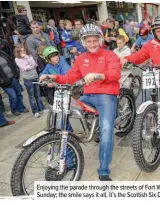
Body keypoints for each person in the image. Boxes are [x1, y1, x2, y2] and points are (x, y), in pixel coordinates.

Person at [39, 24, 121, 181]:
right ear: (83, 42)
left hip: (107, 96)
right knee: (64, 119)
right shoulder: (81, 59)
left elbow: (115, 73)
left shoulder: (110, 55)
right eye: (88, 41)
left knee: (106, 131)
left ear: (100, 40)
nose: (92, 44)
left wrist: (98, 75)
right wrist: (53, 77)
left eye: (94, 40)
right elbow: (70, 77)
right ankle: (69, 160)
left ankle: (103, 170)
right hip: (88, 95)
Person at [14, 44, 48, 118]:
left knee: (38, 94)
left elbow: (35, 65)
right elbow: (24, 68)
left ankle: (42, 108)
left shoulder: (29, 56)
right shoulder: (17, 59)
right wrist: (30, 64)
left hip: (35, 76)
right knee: (31, 96)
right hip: (27, 79)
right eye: (21, 51)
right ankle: (35, 111)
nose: (23, 52)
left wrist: (27, 58)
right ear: (18, 52)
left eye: (24, 50)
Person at [0, 48, 28, 116]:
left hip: (13, 77)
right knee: (13, 96)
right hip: (4, 82)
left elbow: (11, 61)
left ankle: (21, 108)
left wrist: (16, 72)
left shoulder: (2, 53)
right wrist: (2, 81)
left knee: (19, 93)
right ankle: (14, 110)